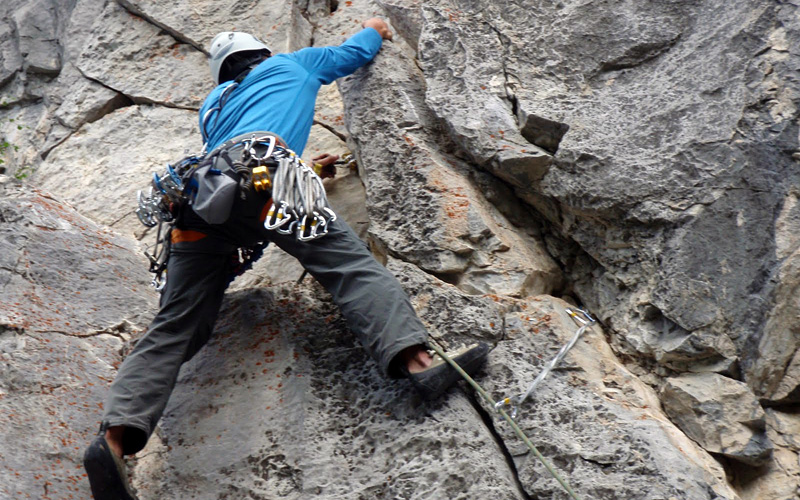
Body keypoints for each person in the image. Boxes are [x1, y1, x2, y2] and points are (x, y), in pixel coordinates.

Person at [83, 18, 489, 500]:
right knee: (349, 268)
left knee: (175, 324)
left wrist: (310, 166)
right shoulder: (294, 63)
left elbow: (238, 150)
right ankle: (419, 363)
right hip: (269, 182)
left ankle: (114, 439)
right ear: (261, 52)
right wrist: (376, 27)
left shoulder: (214, 105)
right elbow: (354, 54)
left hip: (200, 202)